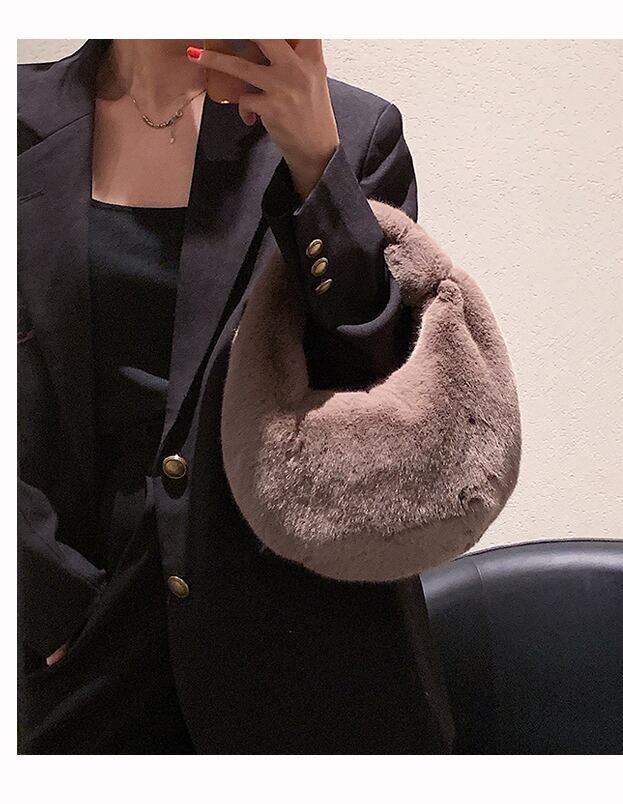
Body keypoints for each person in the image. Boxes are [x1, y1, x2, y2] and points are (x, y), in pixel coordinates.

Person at [18, 38, 456, 754]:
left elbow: (381, 384)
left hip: (306, 641)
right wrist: (40, 592)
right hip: (85, 635)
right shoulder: (21, 119)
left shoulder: (351, 130)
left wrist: (318, 170)